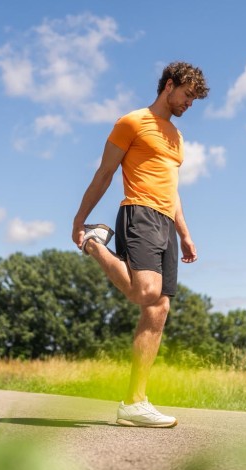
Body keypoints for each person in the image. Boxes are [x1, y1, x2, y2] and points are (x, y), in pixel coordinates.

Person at [72, 61, 209, 427]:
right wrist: (78, 217)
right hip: (139, 213)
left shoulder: (176, 138)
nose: (189, 104)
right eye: (187, 96)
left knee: (159, 308)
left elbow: (172, 190)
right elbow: (105, 173)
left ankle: (135, 402)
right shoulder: (132, 122)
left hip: (165, 222)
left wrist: (184, 233)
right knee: (146, 292)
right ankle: (94, 242)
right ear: (168, 86)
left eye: (194, 100)